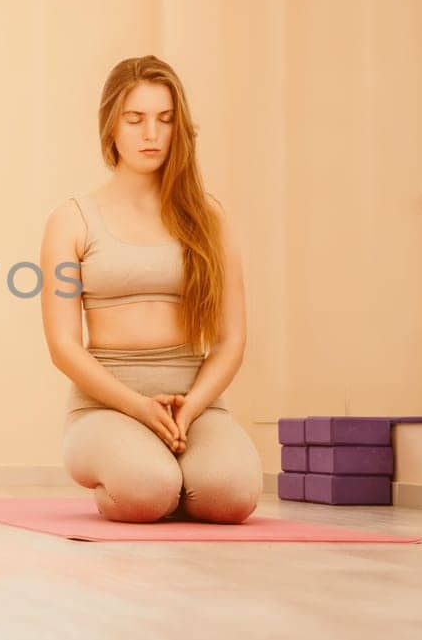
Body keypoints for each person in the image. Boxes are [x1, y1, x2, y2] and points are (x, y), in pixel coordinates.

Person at [39, 55, 261, 524]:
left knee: (233, 496)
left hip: (194, 407)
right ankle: (157, 478)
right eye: (135, 119)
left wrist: (189, 410)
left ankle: (181, 474)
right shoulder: (71, 219)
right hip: (105, 408)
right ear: (111, 127)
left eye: (165, 120)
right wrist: (139, 408)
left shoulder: (210, 218)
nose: (151, 134)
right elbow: (62, 346)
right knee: (147, 490)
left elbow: (231, 340)